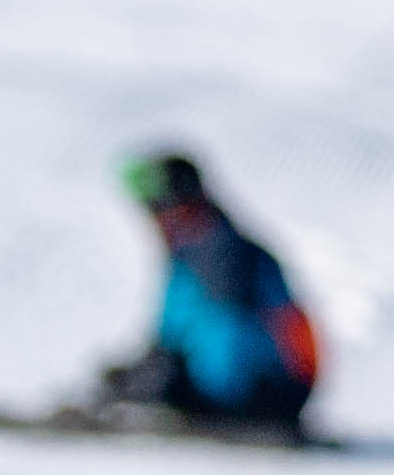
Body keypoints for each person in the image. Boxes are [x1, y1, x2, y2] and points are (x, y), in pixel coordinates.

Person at [93, 148, 326, 432]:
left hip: (265, 390)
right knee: (145, 376)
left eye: (158, 209)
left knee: (165, 375)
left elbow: (223, 330)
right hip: (250, 388)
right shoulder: (189, 258)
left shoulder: (224, 253)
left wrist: (162, 377)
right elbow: (171, 337)